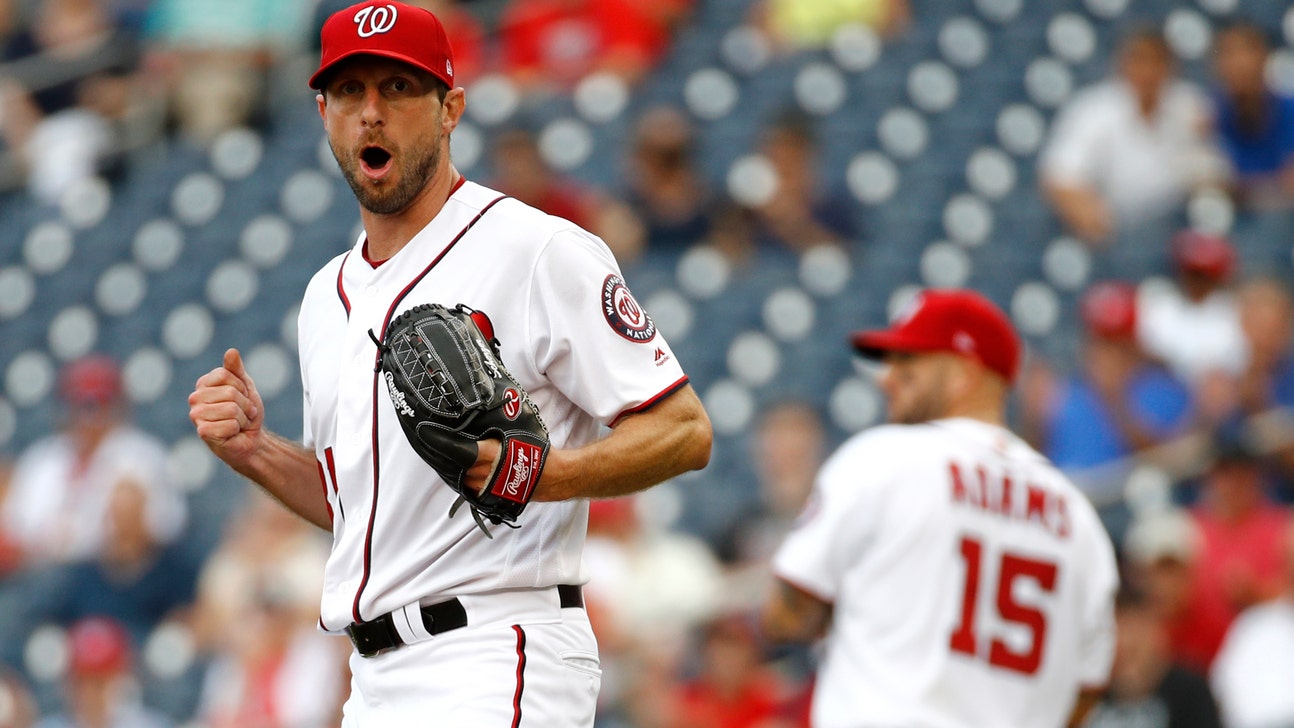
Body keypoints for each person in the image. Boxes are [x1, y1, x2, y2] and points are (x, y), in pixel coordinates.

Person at [186, 2, 713, 725]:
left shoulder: (536, 250)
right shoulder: (323, 299)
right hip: (372, 677)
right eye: (350, 91)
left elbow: (685, 431)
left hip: (499, 646)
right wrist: (256, 453)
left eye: (398, 89)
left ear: (450, 109)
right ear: (323, 113)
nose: (371, 113)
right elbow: (363, 516)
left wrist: (542, 476)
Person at [759, 288, 1120, 727]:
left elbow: (787, 612)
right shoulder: (1077, 515)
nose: (886, 378)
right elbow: (1086, 690)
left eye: (907, 363)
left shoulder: (884, 459)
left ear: (962, 374)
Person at [1039, 28, 1222, 246]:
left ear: (1172, 67)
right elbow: (1061, 178)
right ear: (1121, 65)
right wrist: (1099, 229)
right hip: (1114, 232)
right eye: (1139, 60)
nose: (1148, 71)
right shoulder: (1093, 109)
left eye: (1157, 61)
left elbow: (1218, 172)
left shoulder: (1191, 105)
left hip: (1180, 230)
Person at [3, 355, 185, 567]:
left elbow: (167, 526)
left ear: (116, 406)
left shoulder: (141, 456)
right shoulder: (44, 457)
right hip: (40, 574)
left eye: (96, 405)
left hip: (108, 572)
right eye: (79, 405)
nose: (87, 416)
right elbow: (16, 527)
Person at [1084, 586, 1223, 728]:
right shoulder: (1091, 689)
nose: (1128, 639)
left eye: (1138, 626)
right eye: (1122, 625)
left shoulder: (1191, 692)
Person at [1209, 21, 1294, 211]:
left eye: (1246, 51)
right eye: (1228, 54)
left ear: (1264, 56)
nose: (1239, 63)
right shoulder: (1209, 119)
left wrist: (1241, 190)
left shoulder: (1290, 110)